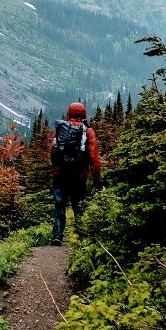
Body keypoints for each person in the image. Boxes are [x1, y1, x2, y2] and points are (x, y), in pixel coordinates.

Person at [50, 102, 101, 245]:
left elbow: (53, 151)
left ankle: (57, 236)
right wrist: (96, 178)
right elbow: (94, 158)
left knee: (60, 206)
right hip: (79, 177)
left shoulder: (61, 129)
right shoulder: (88, 131)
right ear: (84, 115)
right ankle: (80, 236)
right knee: (78, 206)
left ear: (68, 114)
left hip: (60, 175)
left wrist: (56, 168)